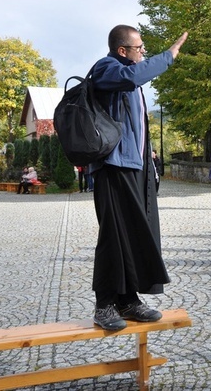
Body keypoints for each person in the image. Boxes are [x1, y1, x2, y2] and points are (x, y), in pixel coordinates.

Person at [88, 24, 187, 331]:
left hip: (134, 167)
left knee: (133, 234)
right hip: (113, 167)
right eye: (139, 48)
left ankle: (127, 300)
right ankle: (104, 304)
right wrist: (168, 55)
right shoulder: (107, 68)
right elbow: (133, 76)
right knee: (113, 235)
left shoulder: (124, 74)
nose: (143, 52)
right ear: (122, 50)